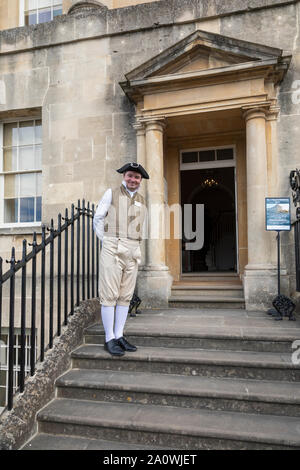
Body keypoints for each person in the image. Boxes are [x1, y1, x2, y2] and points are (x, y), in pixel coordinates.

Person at [93, 162, 149, 356]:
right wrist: (107, 241)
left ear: (140, 180)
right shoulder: (112, 193)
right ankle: (109, 338)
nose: (133, 179)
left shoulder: (142, 199)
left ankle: (119, 335)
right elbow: (98, 218)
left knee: (125, 295)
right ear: (124, 176)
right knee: (109, 293)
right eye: (130, 176)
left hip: (133, 248)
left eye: (136, 177)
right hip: (113, 246)